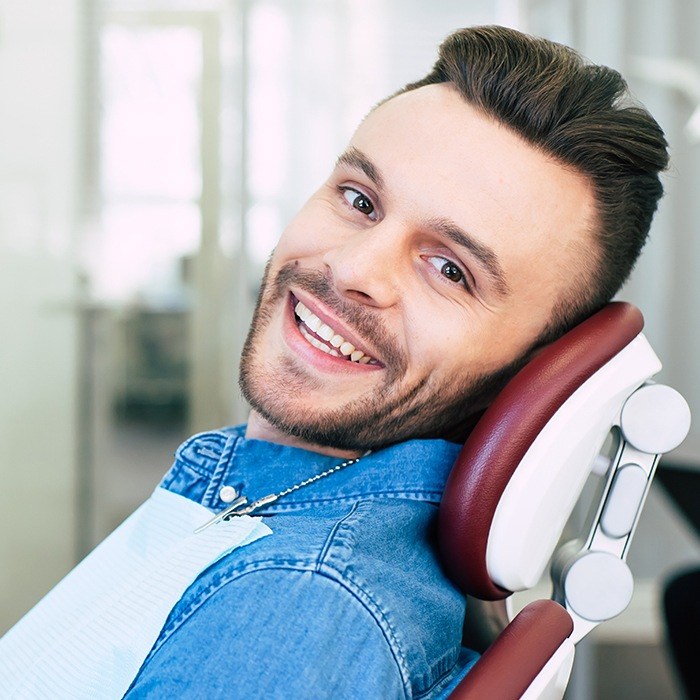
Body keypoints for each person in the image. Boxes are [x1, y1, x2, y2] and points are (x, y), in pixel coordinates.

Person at [9, 25, 670, 699]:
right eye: (360, 201)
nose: (353, 269)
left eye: (449, 269)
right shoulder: (276, 516)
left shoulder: (292, 607)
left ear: (530, 373)